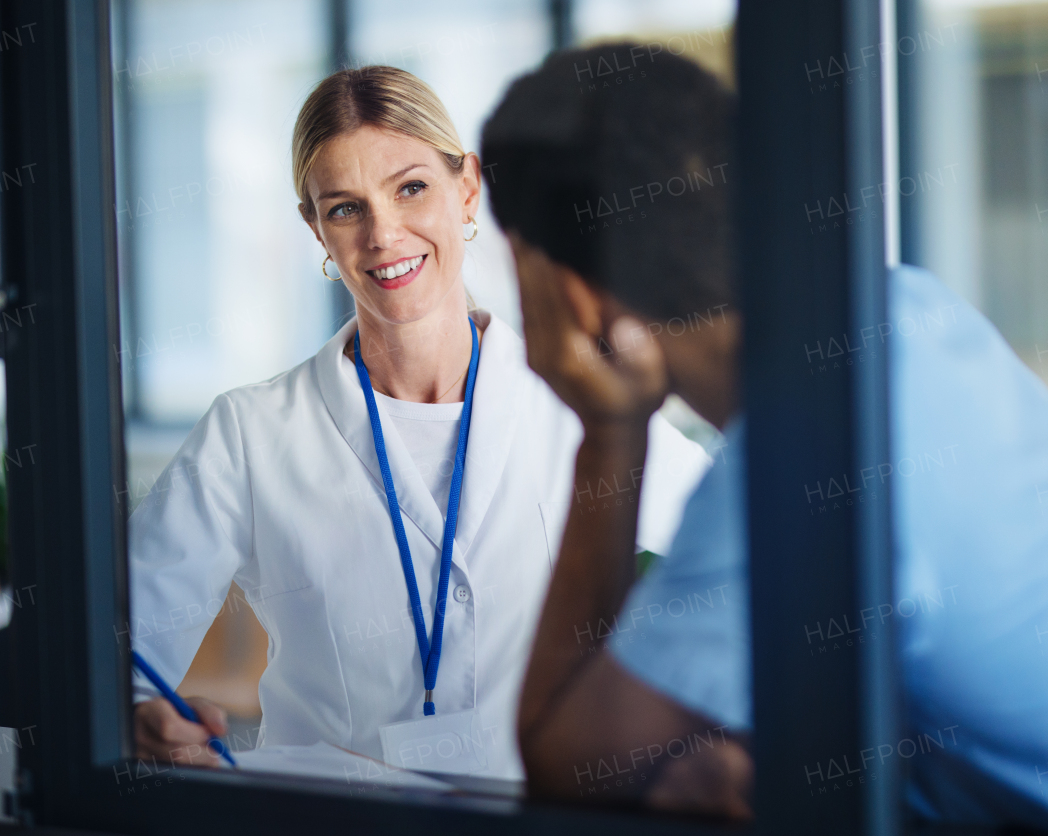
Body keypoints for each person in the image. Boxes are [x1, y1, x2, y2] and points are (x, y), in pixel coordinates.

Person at [482, 44, 1048, 836]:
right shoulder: (905, 308)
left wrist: (610, 434)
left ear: (568, 291)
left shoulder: (802, 465)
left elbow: (567, 765)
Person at [127, 66, 710, 778]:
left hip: (535, 824)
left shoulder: (585, 401)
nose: (383, 233)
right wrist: (137, 715)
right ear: (316, 227)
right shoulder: (249, 433)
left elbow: (754, 554)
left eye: (410, 188)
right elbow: (117, 646)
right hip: (331, 829)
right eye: (344, 208)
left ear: (466, 187)